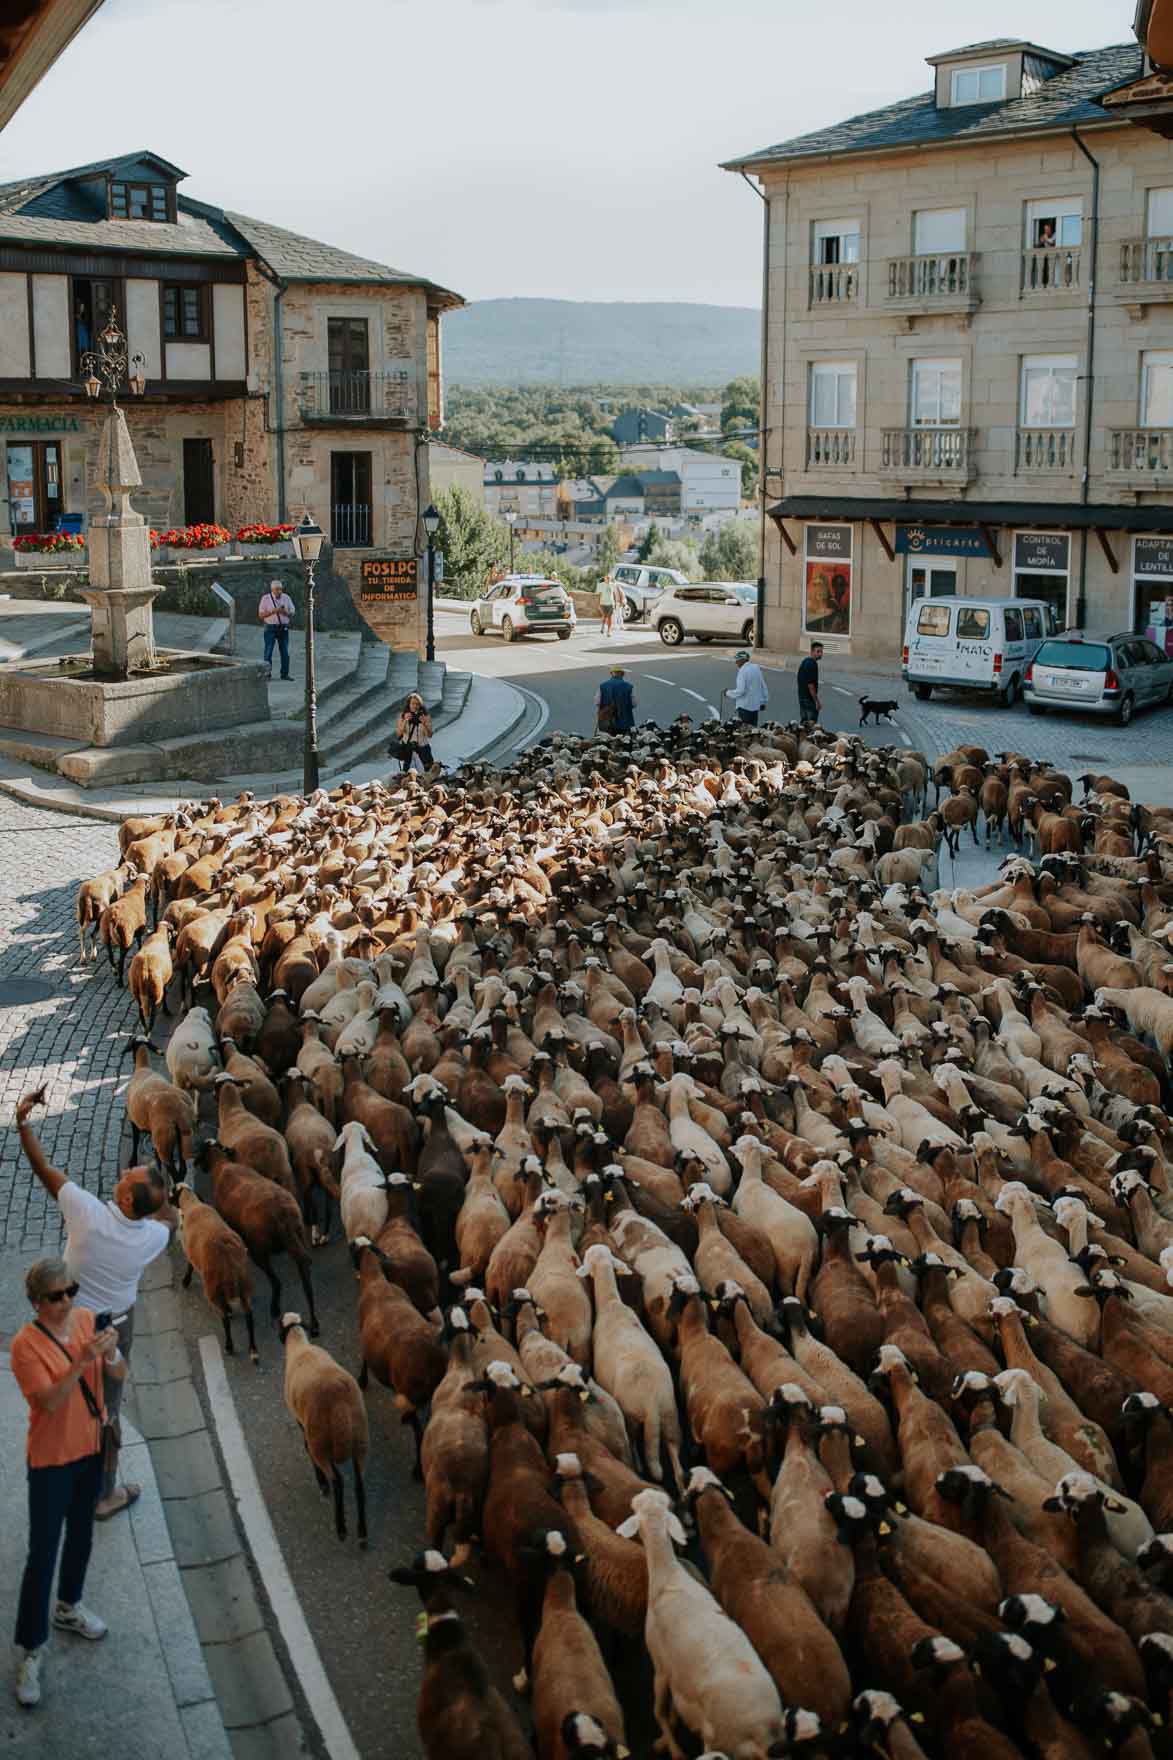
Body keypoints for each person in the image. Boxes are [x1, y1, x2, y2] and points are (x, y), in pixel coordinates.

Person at [16, 1088, 172, 1522]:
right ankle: (103, 1493)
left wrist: (23, 1122)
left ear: (124, 1200)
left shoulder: (85, 1212)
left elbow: (41, 1167)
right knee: (108, 1409)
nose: (123, 1171)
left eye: (129, 1175)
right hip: (114, 1330)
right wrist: (162, 1202)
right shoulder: (153, 1237)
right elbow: (169, 1220)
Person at [11, 1257, 126, 1708]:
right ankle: (30, 1648)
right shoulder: (25, 1347)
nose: (68, 1301)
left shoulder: (84, 1320)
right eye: (57, 1296)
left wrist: (112, 1352)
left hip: (89, 1450)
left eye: (71, 1290)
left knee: (81, 1537)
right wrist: (82, 1359)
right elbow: (51, 1401)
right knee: (42, 1554)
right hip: (51, 1461)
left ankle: (69, 1606)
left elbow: (118, 1374)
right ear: (38, 1302)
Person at [258, 579, 295, 681]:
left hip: (283, 627)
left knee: (285, 652)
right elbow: (261, 615)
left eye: (281, 589)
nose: (279, 591)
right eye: (277, 589)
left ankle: (285, 674)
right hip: (270, 627)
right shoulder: (265, 598)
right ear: (272, 590)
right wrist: (273, 611)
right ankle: (267, 674)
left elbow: (292, 612)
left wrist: (284, 612)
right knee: (268, 651)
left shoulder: (286, 598)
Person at [389, 692, 435, 774]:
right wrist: (405, 721)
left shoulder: (425, 716)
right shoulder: (403, 716)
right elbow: (399, 734)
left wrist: (424, 723)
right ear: (409, 704)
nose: (415, 706)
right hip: (407, 749)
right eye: (413, 703)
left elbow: (430, 735)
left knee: (427, 773)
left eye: (417, 704)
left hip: (422, 748)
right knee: (406, 774)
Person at [729, 649, 769, 726]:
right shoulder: (756, 668)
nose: (736, 662)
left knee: (744, 730)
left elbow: (741, 691)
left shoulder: (742, 671)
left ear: (743, 660)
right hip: (755, 707)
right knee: (753, 730)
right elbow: (762, 685)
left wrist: (728, 693)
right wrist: (763, 701)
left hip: (744, 707)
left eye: (737, 660)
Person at [594, 664, 636, 735]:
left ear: (611, 674)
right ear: (622, 674)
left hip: (607, 721)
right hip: (624, 722)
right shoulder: (629, 686)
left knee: (607, 740)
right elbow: (634, 703)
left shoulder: (603, 686)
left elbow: (597, 702)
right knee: (622, 741)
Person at [796, 641, 823, 725]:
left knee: (804, 723)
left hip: (802, 697)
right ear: (812, 652)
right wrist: (816, 701)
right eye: (818, 651)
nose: (820, 654)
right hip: (809, 699)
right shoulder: (812, 664)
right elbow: (811, 685)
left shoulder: (805, 661)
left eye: (821, 651)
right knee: (811, 724)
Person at [597, 575, 617, 639]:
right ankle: (603, 626)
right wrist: (598, 604)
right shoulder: (600, 585)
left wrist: (615, 603)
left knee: (609, 617)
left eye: (609, 578)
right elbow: (599, 595)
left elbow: (614, 594)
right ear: (604, 578)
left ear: (610, 578)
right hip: (603, 603)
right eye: (607, 578)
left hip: (611, 603)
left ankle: (609, 631)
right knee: (604, 616)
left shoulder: (613, 585)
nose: (608, 579)